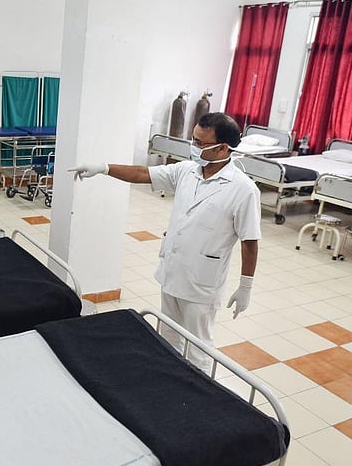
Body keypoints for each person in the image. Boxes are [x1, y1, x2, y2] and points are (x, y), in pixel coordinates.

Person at [69, 112, 260, 373]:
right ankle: (169, 383)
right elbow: (142, 173)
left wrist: (245, 286)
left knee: (198, 348)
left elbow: (250, 240)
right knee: (168, 338)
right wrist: (105, 168)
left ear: (223, 148)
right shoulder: (187, 171)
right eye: (193, 140)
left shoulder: (243, 189)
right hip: (173, 270)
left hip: (202, 283)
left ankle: (199, 394)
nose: (194, 147)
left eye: (201, 144)